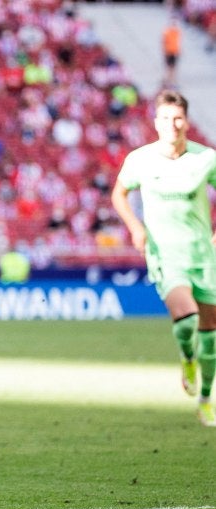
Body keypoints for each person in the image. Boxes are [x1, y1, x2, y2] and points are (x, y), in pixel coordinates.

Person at [111, 90, 216, 428]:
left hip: (203, 254)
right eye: (166, 119)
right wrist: (135, 228)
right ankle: (188, 359)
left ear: (186, 120)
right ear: (156, 123)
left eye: (178, 118)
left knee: (211, 333)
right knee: (186, 321)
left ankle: (205, 397)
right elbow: (119, 193)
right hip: (166, 256)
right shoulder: (140, 159)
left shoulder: (205, 158)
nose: (173, 124)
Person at [162, 17, 181, 88]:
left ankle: (172, 82)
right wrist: (166, 52)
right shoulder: (167, 32)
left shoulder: (177, 32)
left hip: (174, 51)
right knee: (169, 68)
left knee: (173, 68)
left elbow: (178, 43)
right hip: (169, 52)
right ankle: (168, 82)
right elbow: (164, 42)